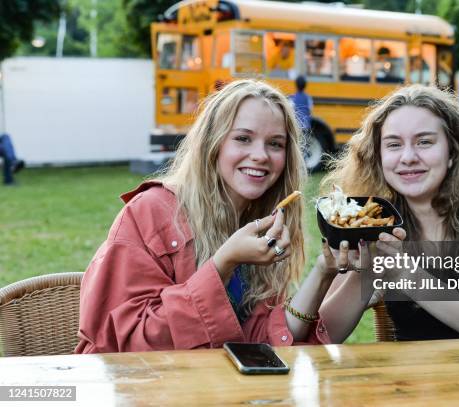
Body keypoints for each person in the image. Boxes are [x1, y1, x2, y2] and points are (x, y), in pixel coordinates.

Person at [76, 80, 341, 353]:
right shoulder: (150, 211)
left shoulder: (262, 227)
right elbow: (127, 343)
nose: (261, 155)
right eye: (242, 138)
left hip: (213, 390)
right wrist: (223, 264)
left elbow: (255, 339)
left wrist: (323, 271)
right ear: (212, 143)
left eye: (275, 144)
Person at [317, 84, 459, 343]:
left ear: (453, 150)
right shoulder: (373, 217)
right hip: (410, 379)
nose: (408, 157)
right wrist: (369, 270)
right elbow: (327, 334)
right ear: (378, 156)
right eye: (394, 144)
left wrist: (404, 273)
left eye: (424, 142)